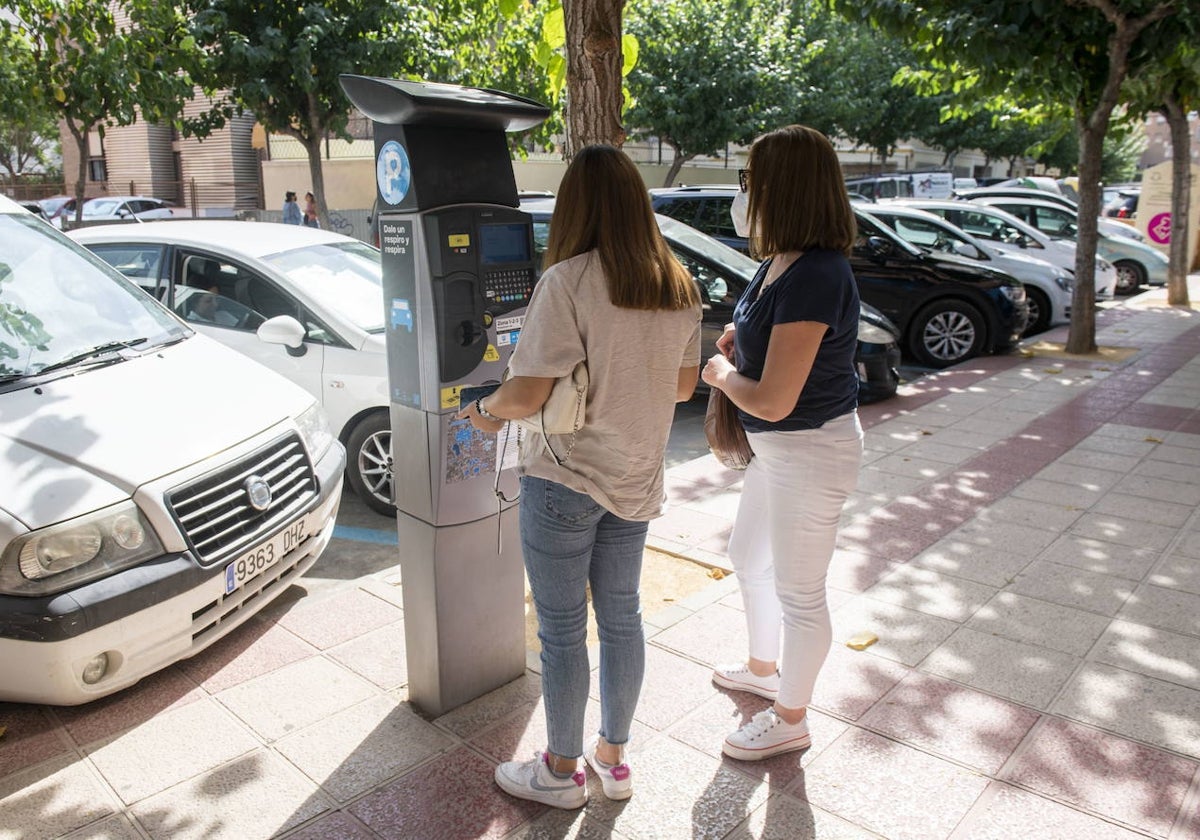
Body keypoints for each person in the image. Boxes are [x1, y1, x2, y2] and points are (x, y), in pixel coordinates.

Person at [458, 145, 702, 809]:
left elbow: (526, 394)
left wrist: (482, 412)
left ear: (575, 207)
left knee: (563, 632)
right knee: (623, 619)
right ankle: (614, 761)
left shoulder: (567, 282)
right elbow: (682, 388)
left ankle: (559, 772)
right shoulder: (677, 284)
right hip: (637, 479)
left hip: (567, 480)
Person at [700, 125, 864, 761]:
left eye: (750, 179)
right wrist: (742, 345)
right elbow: (773, 349)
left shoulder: (819, 273)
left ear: (782, 188)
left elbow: (771, 399)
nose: (743, 192)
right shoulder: (778, 262)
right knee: (748, 556)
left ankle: (790, 716)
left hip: (810, 451)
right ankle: (763, 669)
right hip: (777, 451)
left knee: (801, 591)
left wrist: (720, 374)